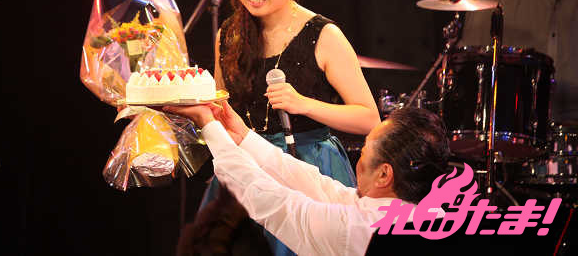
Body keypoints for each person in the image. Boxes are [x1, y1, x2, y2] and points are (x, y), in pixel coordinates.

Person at [204, 0, 380, 255]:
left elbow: (369, 119)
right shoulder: (228, 34)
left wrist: (303, 104)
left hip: (309, 167)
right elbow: (221, 110)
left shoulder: (323, 35)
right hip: (247, 168)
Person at [165, 102, 451, 255]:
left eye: (364, 152)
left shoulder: (355, 229)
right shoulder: (433, 218)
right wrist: (244, 137)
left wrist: (208, 125)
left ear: (384, 174)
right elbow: (319, 186)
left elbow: (269, 200)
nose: (359, 162)